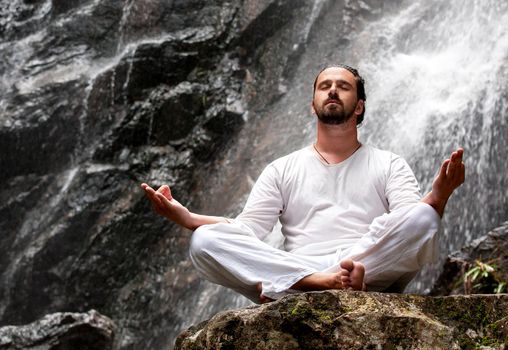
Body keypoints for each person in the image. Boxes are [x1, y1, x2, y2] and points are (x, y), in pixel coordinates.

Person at [141, 64, 465, 303]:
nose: (333, 90)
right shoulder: (282, 169)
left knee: (424, 217)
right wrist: (188, 219)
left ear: (360, 105)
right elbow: (248, 230)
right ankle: (311, 281)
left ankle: (298, 283)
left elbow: (409, 224)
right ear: (313, 105)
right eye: (324, 86)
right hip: (301, 266)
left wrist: (439, 196)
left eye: (343, 86)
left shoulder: (389, 163)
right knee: (204, 241)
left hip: (366, 264)